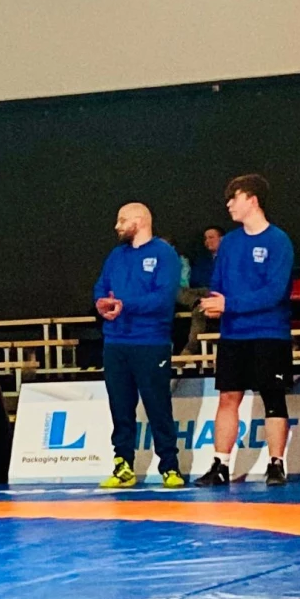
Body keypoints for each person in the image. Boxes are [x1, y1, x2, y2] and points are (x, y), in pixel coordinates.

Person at [197, 174, 295, 486]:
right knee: (228, 396)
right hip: (233, 334)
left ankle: (276, 464)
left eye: (234, 198)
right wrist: (213, 304)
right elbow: (217, 285)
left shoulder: (278, 241)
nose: (228, 204)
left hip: (269, 332)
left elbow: (275, 292)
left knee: (273, 397)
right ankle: (220, 464)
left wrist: (229, 304)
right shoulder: (229, 243)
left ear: (252, 200)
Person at [93, 203, 186, 489]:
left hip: (150, 341)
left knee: (158, 405)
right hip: (116, 341)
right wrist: (101, 303)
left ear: (140, 220)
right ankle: (123, 465)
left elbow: (163, 298)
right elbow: (101, 286)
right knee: (120, 407)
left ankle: (169, 466)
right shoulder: (116, 255)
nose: (117, 226)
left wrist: (125, 304)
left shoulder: (164, 254)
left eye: (122, 220)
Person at [181, 226, 223, 352]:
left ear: (222, 239)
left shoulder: (229, 257)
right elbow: (194, 280)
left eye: (211, 237)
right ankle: (197, 302)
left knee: (199, 311)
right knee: (173, 290)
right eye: (205, 238)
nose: (207, 241)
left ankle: (190, 350)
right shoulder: (203, 260)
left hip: (219, 293)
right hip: (201, 292)